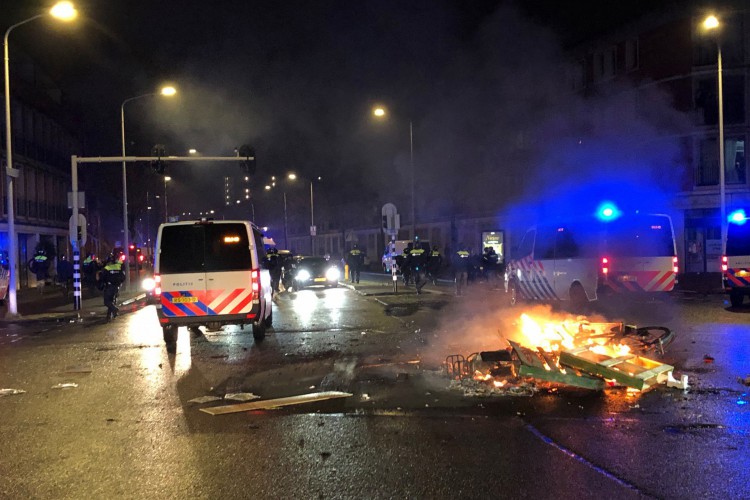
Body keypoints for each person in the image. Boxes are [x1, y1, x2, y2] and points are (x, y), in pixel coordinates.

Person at [98, 250, 125, 321]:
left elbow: (103, 277)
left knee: (107, 301)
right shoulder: (119, 266)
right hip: (117, 286)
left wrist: (102, 282)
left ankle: (115, 309)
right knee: (112, 301)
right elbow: (123, 277)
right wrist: (119, 282)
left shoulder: (108, 267)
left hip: (109, 286)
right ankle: (109, 315)